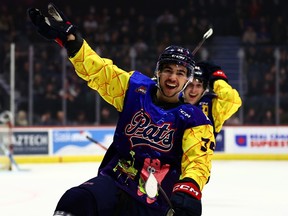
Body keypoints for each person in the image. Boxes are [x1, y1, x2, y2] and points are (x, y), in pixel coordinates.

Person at [27, 3, 215, 216]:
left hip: (154, 202)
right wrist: (72, 42)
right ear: (158, 72)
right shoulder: (135, 90)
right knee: (75, 200)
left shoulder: (194, 119)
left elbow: (198, 161)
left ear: (188, 79)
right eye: (168, 70)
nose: (173, 77)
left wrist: (189, 190)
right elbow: (99, 72)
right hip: (115, 183)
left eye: (181, 73)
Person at [183, 61, 242, 138]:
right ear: (183, 86)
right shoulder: (173, 101)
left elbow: (231, 99)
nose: (193, 90)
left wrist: (217, 76)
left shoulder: (212, 106)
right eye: (190, 85)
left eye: (198, 86)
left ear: (204, 89)